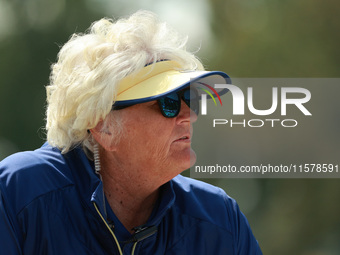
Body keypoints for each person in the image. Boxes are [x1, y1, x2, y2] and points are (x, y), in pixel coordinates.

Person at [0, 10, 262, 255]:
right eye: (167, 103)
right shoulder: (17, 193)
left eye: (189, 98)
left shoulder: (220, 220)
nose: (189, 115)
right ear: (103, 126)